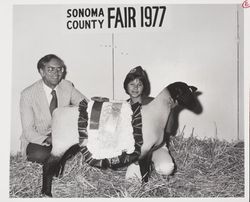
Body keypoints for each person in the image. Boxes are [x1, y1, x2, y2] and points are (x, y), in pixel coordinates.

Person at [19, 54, 89, 164]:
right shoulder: (27, 94)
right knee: (39, 155)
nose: (56, 73)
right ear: (42, 72)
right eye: (50, 69)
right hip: (40, 140)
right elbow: (28, 131)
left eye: (59, 69)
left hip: (63, 136)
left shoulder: (67, 86)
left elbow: (86, 106)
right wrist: (49, 140)